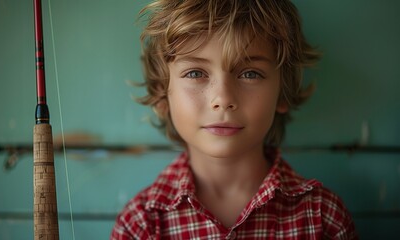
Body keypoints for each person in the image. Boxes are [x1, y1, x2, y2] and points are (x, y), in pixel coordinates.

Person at [111, 0, 358, 239]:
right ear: (162, 93)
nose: (223, 98)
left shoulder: (323, 218)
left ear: (283, 92)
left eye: (250, 73)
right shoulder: (140, 225)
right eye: (195, 73)